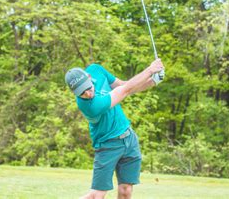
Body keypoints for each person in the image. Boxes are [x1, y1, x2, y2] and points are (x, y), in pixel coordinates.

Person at [65, 59, 164, 199]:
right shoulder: (90, 106)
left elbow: (124, 85)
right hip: (108, 146)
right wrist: (150, 70)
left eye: (87, 88)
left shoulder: (96, 70)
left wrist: (153, 81)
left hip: (129, 139)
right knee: (97, 195)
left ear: (89, 77)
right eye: (81, 93)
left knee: (126, 191)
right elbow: (125, 90)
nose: (87, 94)